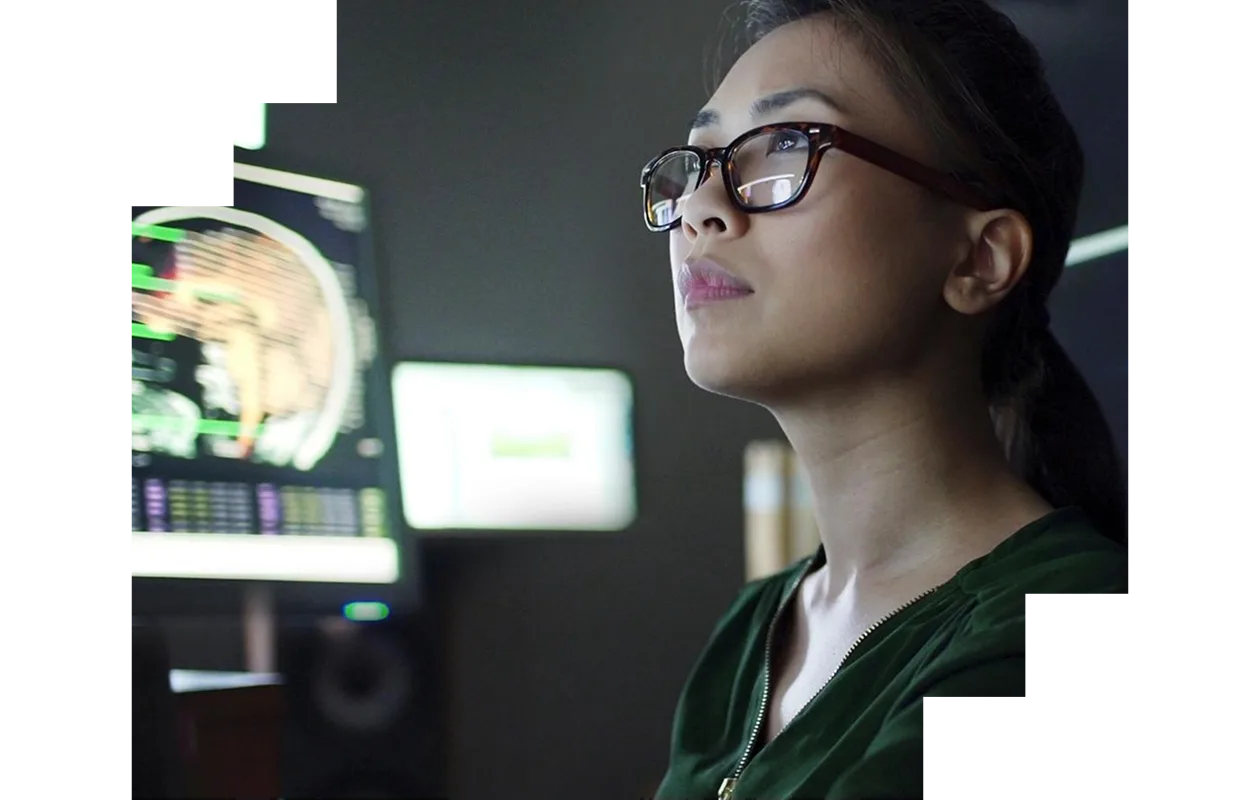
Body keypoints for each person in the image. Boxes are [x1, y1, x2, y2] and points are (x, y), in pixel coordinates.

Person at [638, 1, 1134, 798]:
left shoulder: (1053, 618)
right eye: (695, 163)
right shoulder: (754, 628)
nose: (700, 209)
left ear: (979, 256)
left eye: (781, 148)